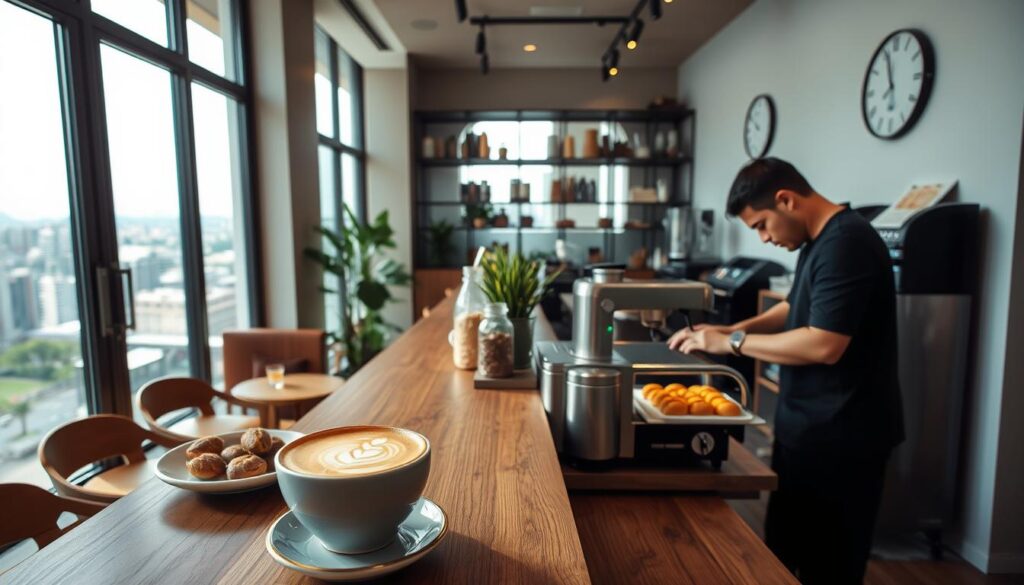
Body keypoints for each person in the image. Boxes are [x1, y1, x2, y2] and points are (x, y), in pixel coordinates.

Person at [667, 157, 904, 585]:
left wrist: (732, 343)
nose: (763, 237)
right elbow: (794, 307)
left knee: (829, 568)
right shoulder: (819, 240)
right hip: (809, 429)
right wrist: (733, 327)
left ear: (786, 200)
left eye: (761, 224)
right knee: (781, 553)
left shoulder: (846, 242)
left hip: (845, 439)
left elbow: (824, 343)